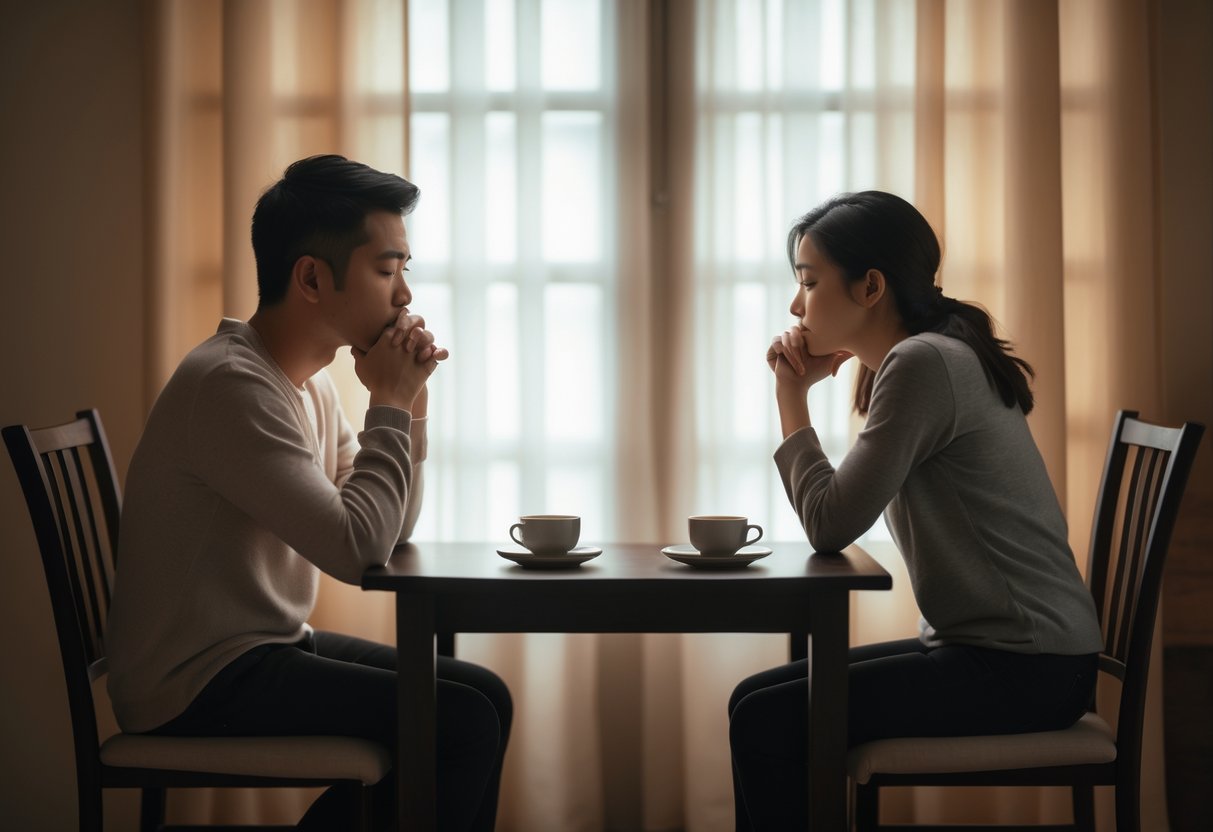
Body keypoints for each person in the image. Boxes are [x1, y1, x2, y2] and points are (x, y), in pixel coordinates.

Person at [106, 154, 511, 831]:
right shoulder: (232, 386)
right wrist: (388, 397)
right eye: (387, 271)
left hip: (260, 648)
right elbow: (357, 551)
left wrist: (408, 405)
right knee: (461, 720)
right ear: (312, 278)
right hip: (195, 681)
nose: (405, 295)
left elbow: (390, 527)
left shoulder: (307, 384)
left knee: (481, 695)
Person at [728, 191, 1103, 830]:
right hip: (1008, 654)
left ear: (870, 286)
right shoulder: (925, 356)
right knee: (754, 699)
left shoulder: (924, 363)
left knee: (769, 716)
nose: (796, 305)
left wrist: (790, 394)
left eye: (809, 282)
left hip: (1026, 668)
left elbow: (829, 524)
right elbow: (838, 513)